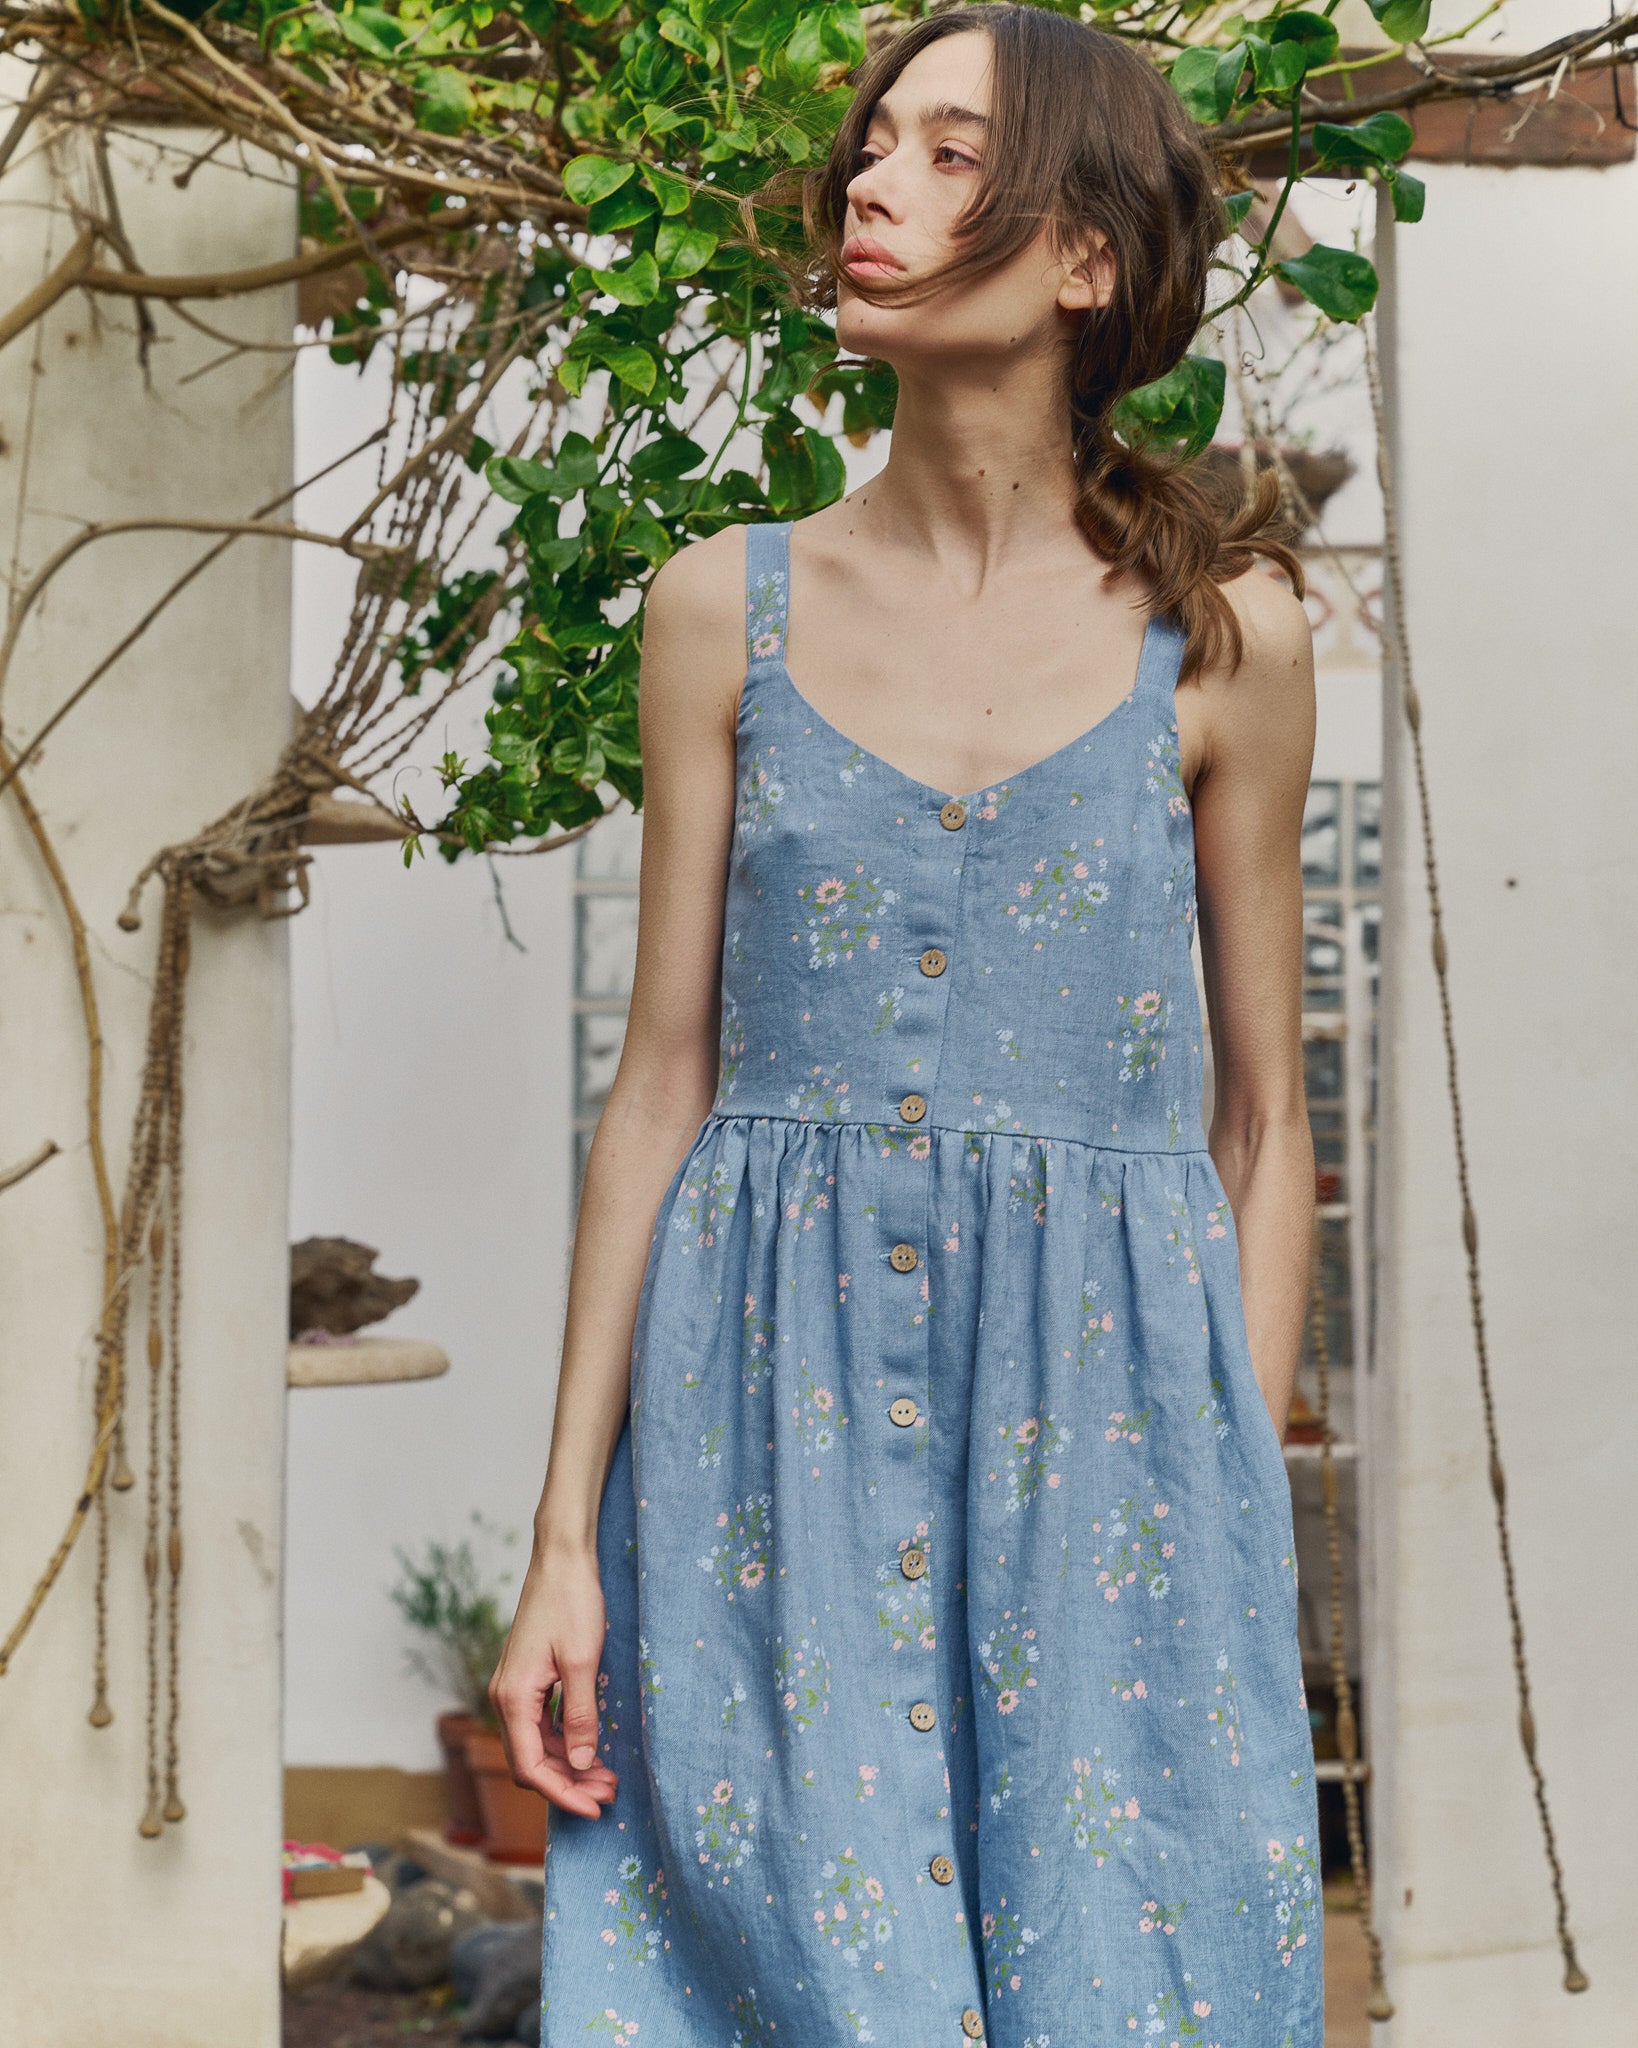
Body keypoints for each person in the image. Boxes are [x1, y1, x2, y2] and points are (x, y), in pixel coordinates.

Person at [493, 6, 1322, 2043]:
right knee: (801, 1974)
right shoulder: (722, 607)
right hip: (758, 1423)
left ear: (1086, 257)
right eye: (877, 142)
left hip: (1113, 1431)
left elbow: (1260, 1120)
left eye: (951, 155)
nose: (870, 181)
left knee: (1123, 1979)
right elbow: (661, 1081)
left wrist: (1220, 1504)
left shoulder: (1225, 639)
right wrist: (562, 1540)